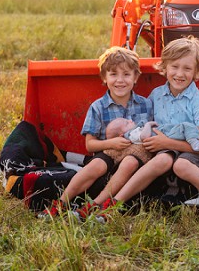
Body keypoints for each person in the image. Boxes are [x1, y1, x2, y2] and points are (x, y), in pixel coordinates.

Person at [97, 37, 199, 219]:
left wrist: (167, 142)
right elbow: (147, 127)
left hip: (197, 155)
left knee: (181, 165)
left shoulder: (197, 101)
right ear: (165, 67)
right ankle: (112, 205)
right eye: (174, 67)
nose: (179, 73)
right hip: (166, 152)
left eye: (187, 68)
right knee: (164, 160)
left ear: (196, 72)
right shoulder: (157, 95)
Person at [38, 46, 153, 220]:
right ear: (104, 77)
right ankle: (61, 204)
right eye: (113, 74)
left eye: (126, 74)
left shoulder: (146, 104)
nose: (120, 80)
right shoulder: (98, 107)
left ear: (136, 77)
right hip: (109, 150)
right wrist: (111, 143)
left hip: (137, 153)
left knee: (129, 162)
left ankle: (95, 205)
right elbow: (90, 144)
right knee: (95, 165)